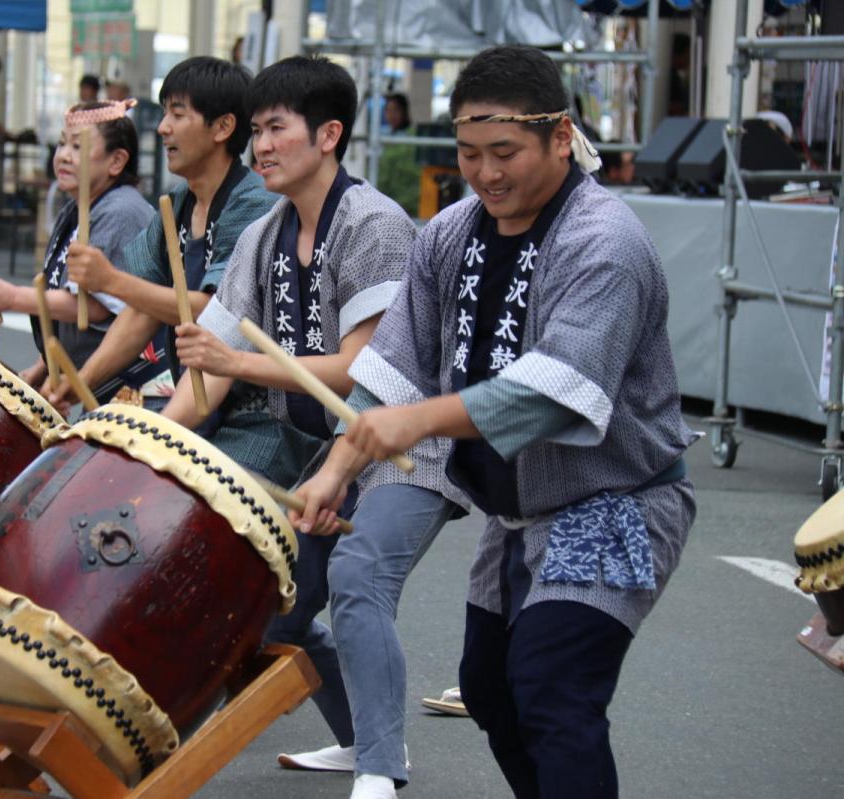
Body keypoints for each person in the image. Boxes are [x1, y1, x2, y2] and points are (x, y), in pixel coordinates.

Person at [292, 44, 697, 798]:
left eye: (504, 151)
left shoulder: (604, 242)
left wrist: (416, 423)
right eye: (470, 153)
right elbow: (391, 367)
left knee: (551, 684)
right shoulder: (451, 234)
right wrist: (335, 474)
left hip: (615, 502)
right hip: (517, 515)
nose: (486, 172)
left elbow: (554, 389)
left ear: (560, 136)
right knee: (489, 686)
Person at [165, 56, 421, 799]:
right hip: (326, 449)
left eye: (276, 129)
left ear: (329, 134)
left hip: (403, 443)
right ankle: (362, 738)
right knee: (277, 604)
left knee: (356, 576)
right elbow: (206, 367)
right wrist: (146, 438)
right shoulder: (266, 234)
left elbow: (362, 369)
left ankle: (381, 765)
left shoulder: (375, 225)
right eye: (256, 132)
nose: (261, 147)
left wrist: (236, 367)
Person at [46, 56, 275, 417]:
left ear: (223, 127)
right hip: (190, 399)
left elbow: (213, 312)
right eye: (165, 113)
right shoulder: (178, 202)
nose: (163, 128)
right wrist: (78, 384)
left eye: (178, 115)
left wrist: (110, 280)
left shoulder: (254, 204)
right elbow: (141, 312)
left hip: (250, 418)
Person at [0, 99, 153, 403]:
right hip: (90, 381)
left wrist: (12, 298)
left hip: (126, 387)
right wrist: (43, 368)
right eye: (61, 144)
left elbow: (93, 306)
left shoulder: (121, 210)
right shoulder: (79, 206)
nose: (64, 156)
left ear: (117, 161)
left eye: (78, 147)